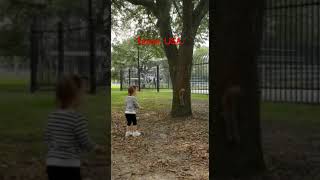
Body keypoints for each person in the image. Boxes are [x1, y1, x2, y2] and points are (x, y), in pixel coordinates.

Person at [44, 74, 103, 180]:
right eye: (83, 93)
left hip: (51, 164)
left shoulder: (52, 116)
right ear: (76, 96)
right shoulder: (77, 118)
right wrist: (95, 148)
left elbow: (48, 138)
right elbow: (84, 140)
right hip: (70, 165)